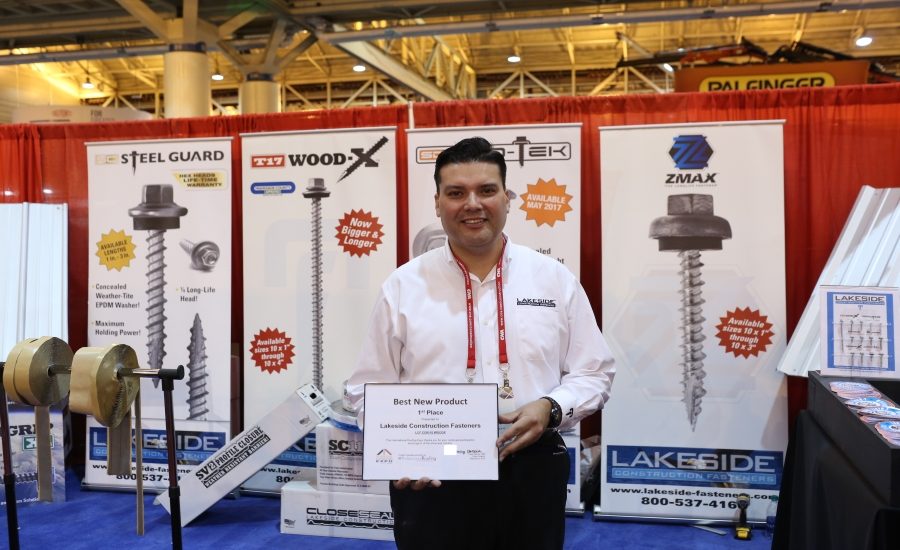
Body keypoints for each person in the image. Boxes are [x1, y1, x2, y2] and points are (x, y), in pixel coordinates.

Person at [347, 136, 615, 549]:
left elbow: (594, 372)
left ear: (508, 198)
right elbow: (366, 386)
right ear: (437, 203)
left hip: (532, 466)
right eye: (456, 193)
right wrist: (398, 450)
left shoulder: (553, 279)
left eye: (486, 190)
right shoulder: (403, 286)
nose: (472, 204)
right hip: (433, 473)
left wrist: (551, 407)